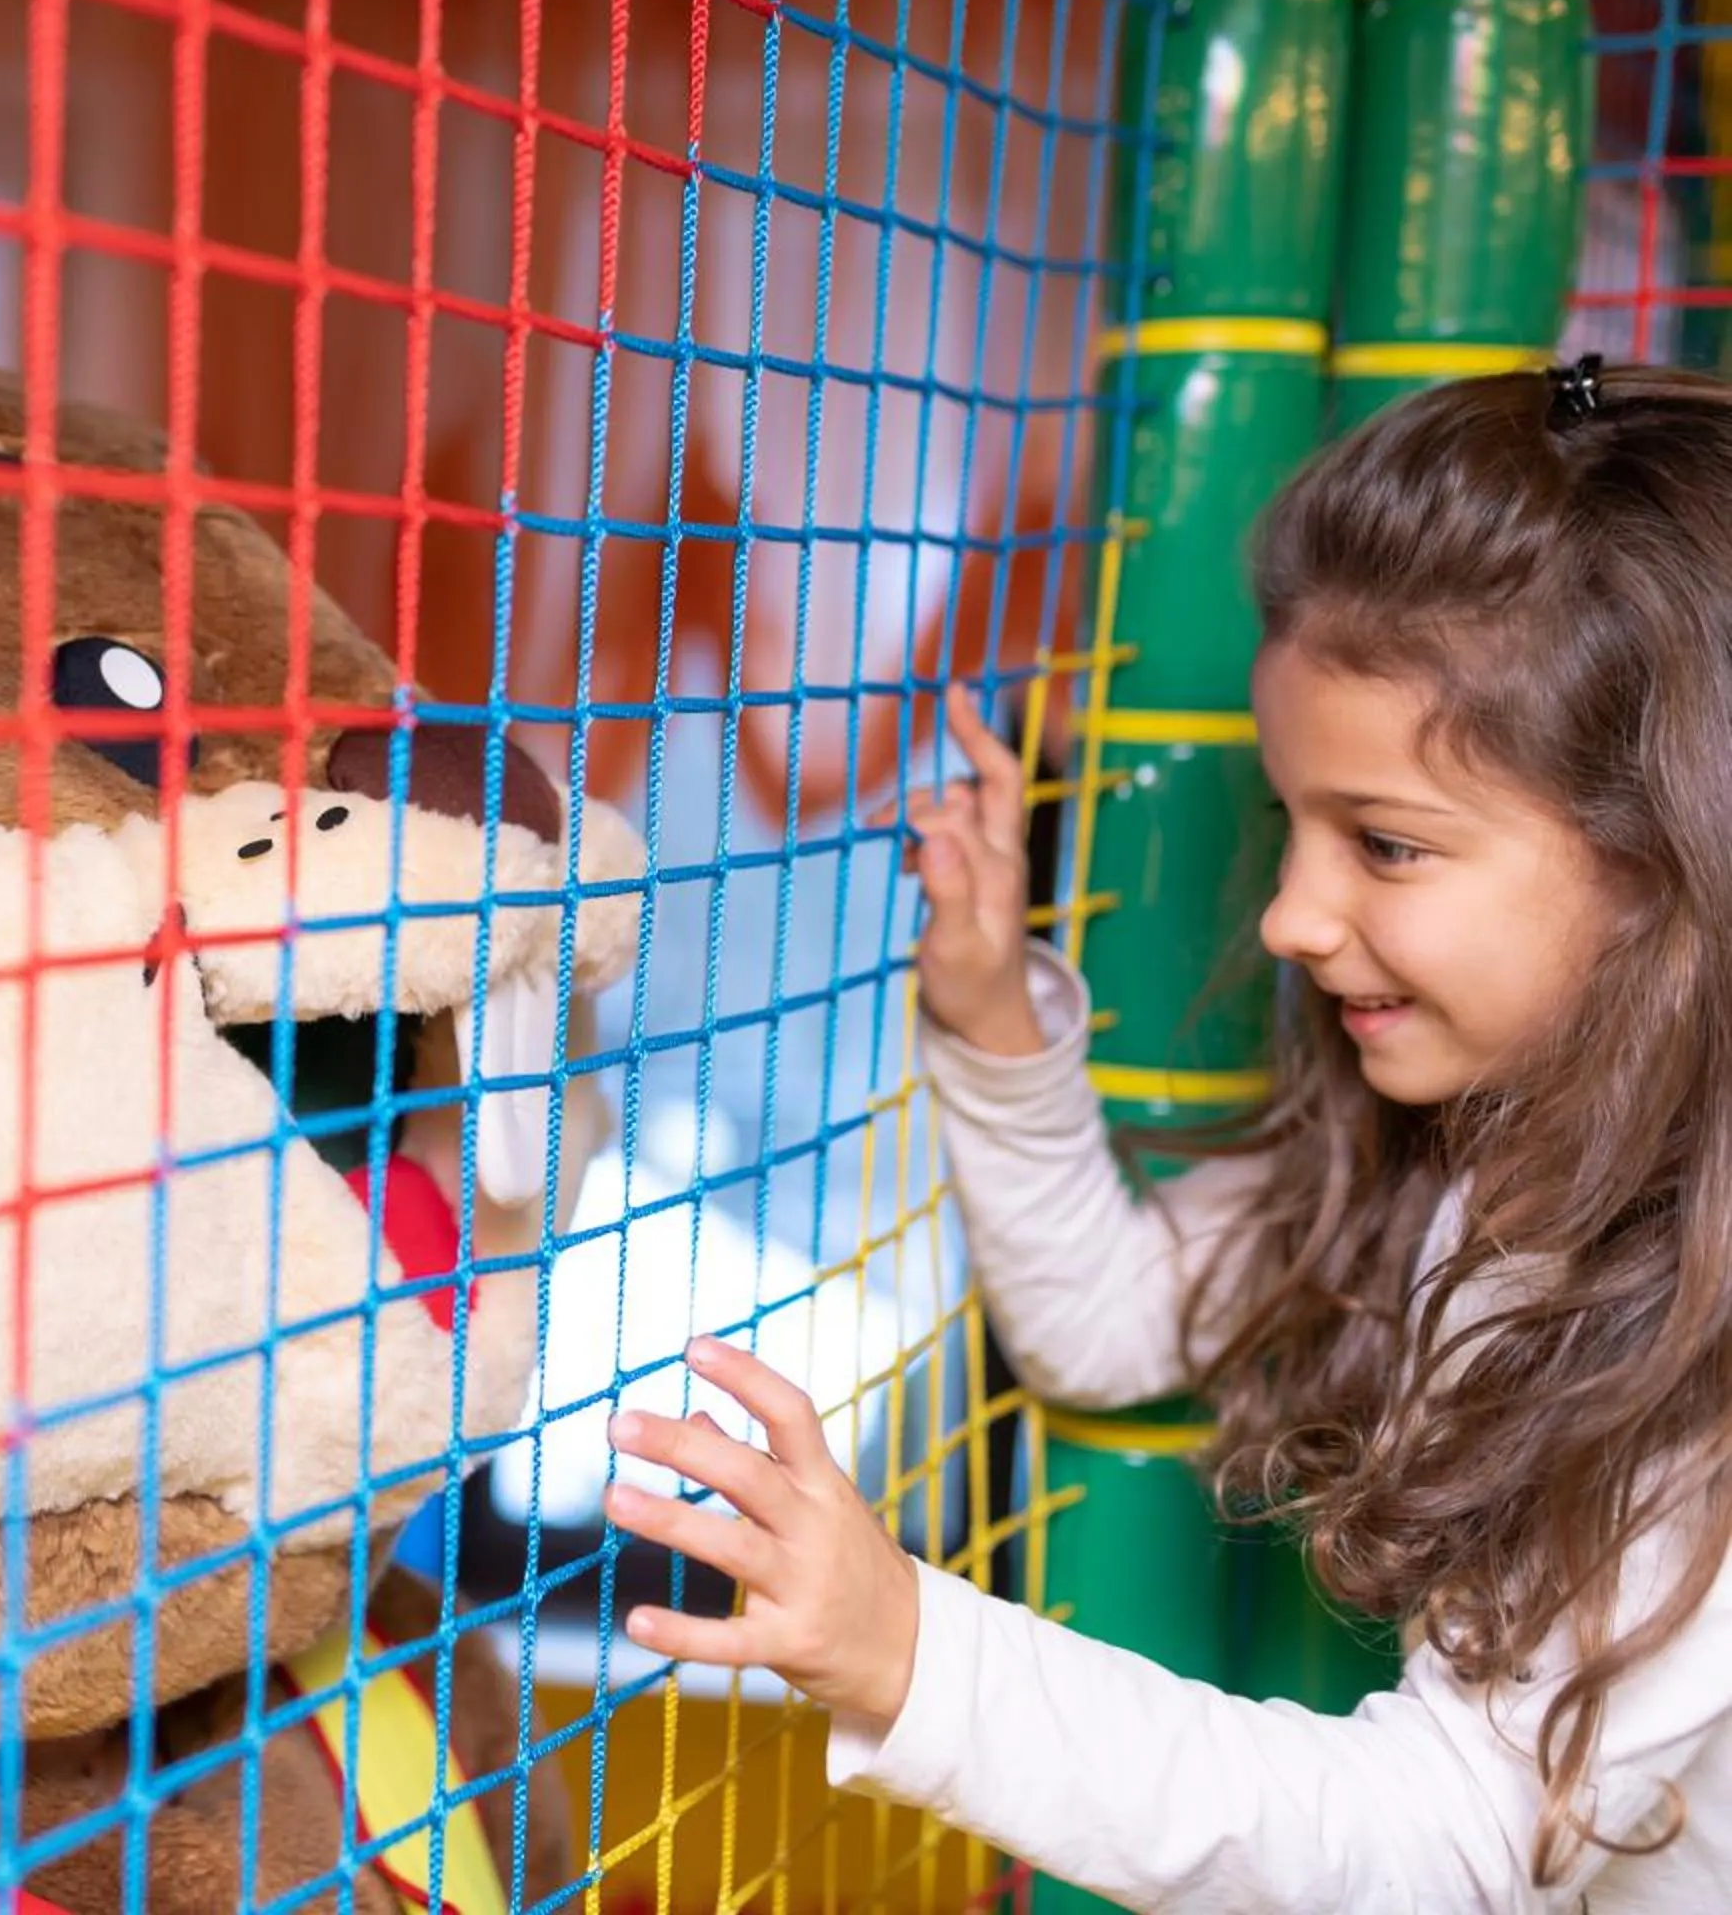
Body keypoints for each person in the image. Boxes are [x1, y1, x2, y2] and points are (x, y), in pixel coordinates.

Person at [602, 362, 1732, 1909]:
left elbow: (1462, 1844)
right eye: (1295, 827)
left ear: (1672, 857)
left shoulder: (1700, 1334)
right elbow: (1106, 1323)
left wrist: (913, 1654)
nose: (1290, 915)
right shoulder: (1483, 1158)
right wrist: (1000, 1024)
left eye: (1388, 843)